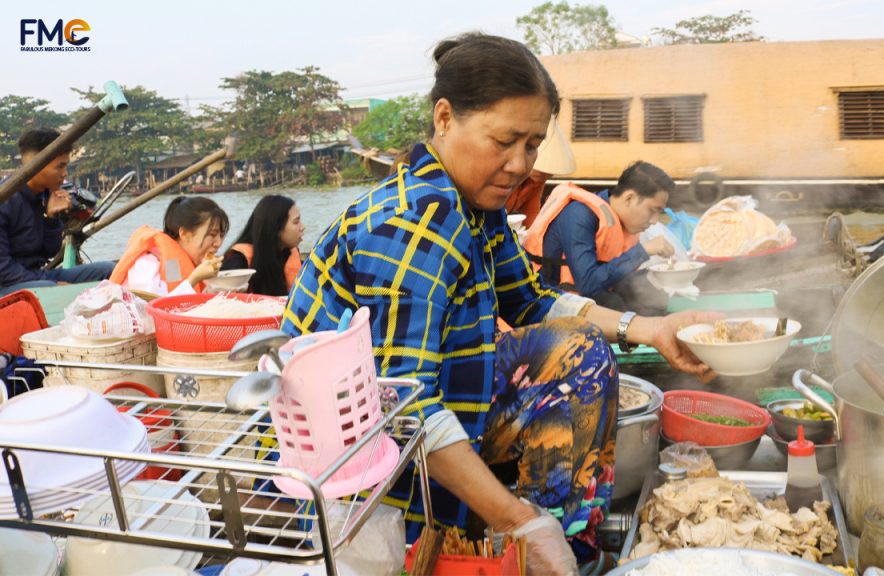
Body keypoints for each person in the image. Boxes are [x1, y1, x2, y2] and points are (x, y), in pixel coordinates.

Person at [282, 33, 716, 575]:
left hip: (420, 412)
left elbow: (532, 300)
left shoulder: (476, 204)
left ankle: (561, 542)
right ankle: (531, 540)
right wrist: (516, 520)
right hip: (351, 470)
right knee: (571, 365)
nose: (518, 164)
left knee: (580, 348)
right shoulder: (417, 222)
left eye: (532, 145)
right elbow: (407, 410)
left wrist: (646, 328)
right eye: (504, 140)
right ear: (445, 118)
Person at [523, 162, 677, 313]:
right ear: (629, 198)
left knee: (656, 302)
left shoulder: (622, 222)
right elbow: (588, 284)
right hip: (550, 302)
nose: (655, 220)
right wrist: (643, 251)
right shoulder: (579, 214)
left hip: (594, 291)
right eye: (652, 210)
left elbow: (618, 273)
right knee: (617, 307)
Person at [0, 128, 116, 296]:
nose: (65, 173)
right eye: (60, 166)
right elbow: (3, 270)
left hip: (38, 276)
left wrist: (52, 218)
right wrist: (53, 284)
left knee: (108, 270)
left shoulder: (47, 194)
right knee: (50, 287)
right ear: (36, 165)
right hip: (8, 285)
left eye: (66, 166)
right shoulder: (5, 199)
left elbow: (49, 252)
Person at [109, 196, 227, 296]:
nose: (218, 243)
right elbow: (151, 306)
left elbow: (176, 286)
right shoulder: (149, 261)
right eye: (212, 235)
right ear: (185, 234)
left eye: (221, 236)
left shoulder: (179, 263)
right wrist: (194, 278)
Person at [221, 194, 305, 296]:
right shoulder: (238, 263)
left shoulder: (288, 255)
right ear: (276, 227)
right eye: (296, 222)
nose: (302, 227)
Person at [504, 117, 576, 228]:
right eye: (541, 172)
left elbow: (531, 213)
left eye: (549, 173)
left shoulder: (536, 182)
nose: (544, 175)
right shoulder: (505, 175)